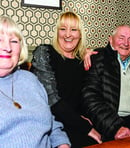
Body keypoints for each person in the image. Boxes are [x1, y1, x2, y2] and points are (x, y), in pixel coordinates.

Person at [31, 11, 101, 148]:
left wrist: (92, 54)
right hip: (51, 124)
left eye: (74, 30)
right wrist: (87, 128)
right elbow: (53, 102)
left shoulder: (82, 61)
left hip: (75, 122)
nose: (68, 34)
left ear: (80, 34)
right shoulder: (44, 53)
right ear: (57, 32)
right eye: (63, 29)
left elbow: (85, 99)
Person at [0, 16, 70, 148]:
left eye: (14, 41)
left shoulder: (30, 79)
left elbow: (50, 122)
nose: (7, 47)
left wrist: (62, 144)